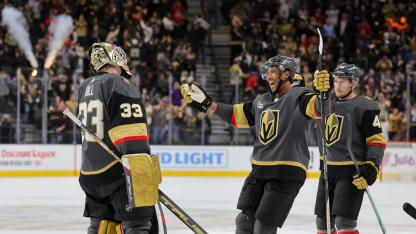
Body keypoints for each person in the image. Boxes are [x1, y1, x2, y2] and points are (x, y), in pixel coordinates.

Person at [181, 55, 329, 233]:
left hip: (286, 172)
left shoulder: (300, 96)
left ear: (286, 74)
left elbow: (320, 108)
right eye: (267, 72)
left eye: (273, 71)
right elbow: (234, 115)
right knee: (244, 222)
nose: (269, 76)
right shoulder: (262, 100)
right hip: (259, 170)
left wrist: (324, 94)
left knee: (263, 227)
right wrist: (208, 103)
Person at [78, 42, 158, 234]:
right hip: (119, 174)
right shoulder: (118, 83)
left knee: (101, 227)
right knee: (138, 226)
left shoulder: (84, 86)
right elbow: (133, 139)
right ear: (117, 60)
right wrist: (143, 174)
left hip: (90, 175)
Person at [313, 64, 387, 234]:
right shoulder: (324, 103)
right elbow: (306, 106)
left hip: (352, 172)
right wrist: (317, 90)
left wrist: (371, 166)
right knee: (322, 223)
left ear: (354, 84)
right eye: (335, 81)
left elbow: (376, 141)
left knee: (344, 222)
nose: (337, 86)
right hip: (327, 172)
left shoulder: (365, 106)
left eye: (343, 82)